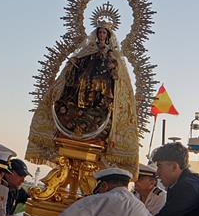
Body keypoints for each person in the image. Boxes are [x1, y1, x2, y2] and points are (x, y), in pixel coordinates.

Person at [27, 24, 139, 173]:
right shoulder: (89, 49)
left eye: (104, 32)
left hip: (101, 83)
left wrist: (113, 69)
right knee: (82, 81)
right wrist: (75, 63)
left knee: (101, 85)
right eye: (99, 32)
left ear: (108, 35)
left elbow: (117, 75)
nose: (101, 35)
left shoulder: (111, 53)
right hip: (85, 80)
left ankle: (94, 113)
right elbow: (78, 62)